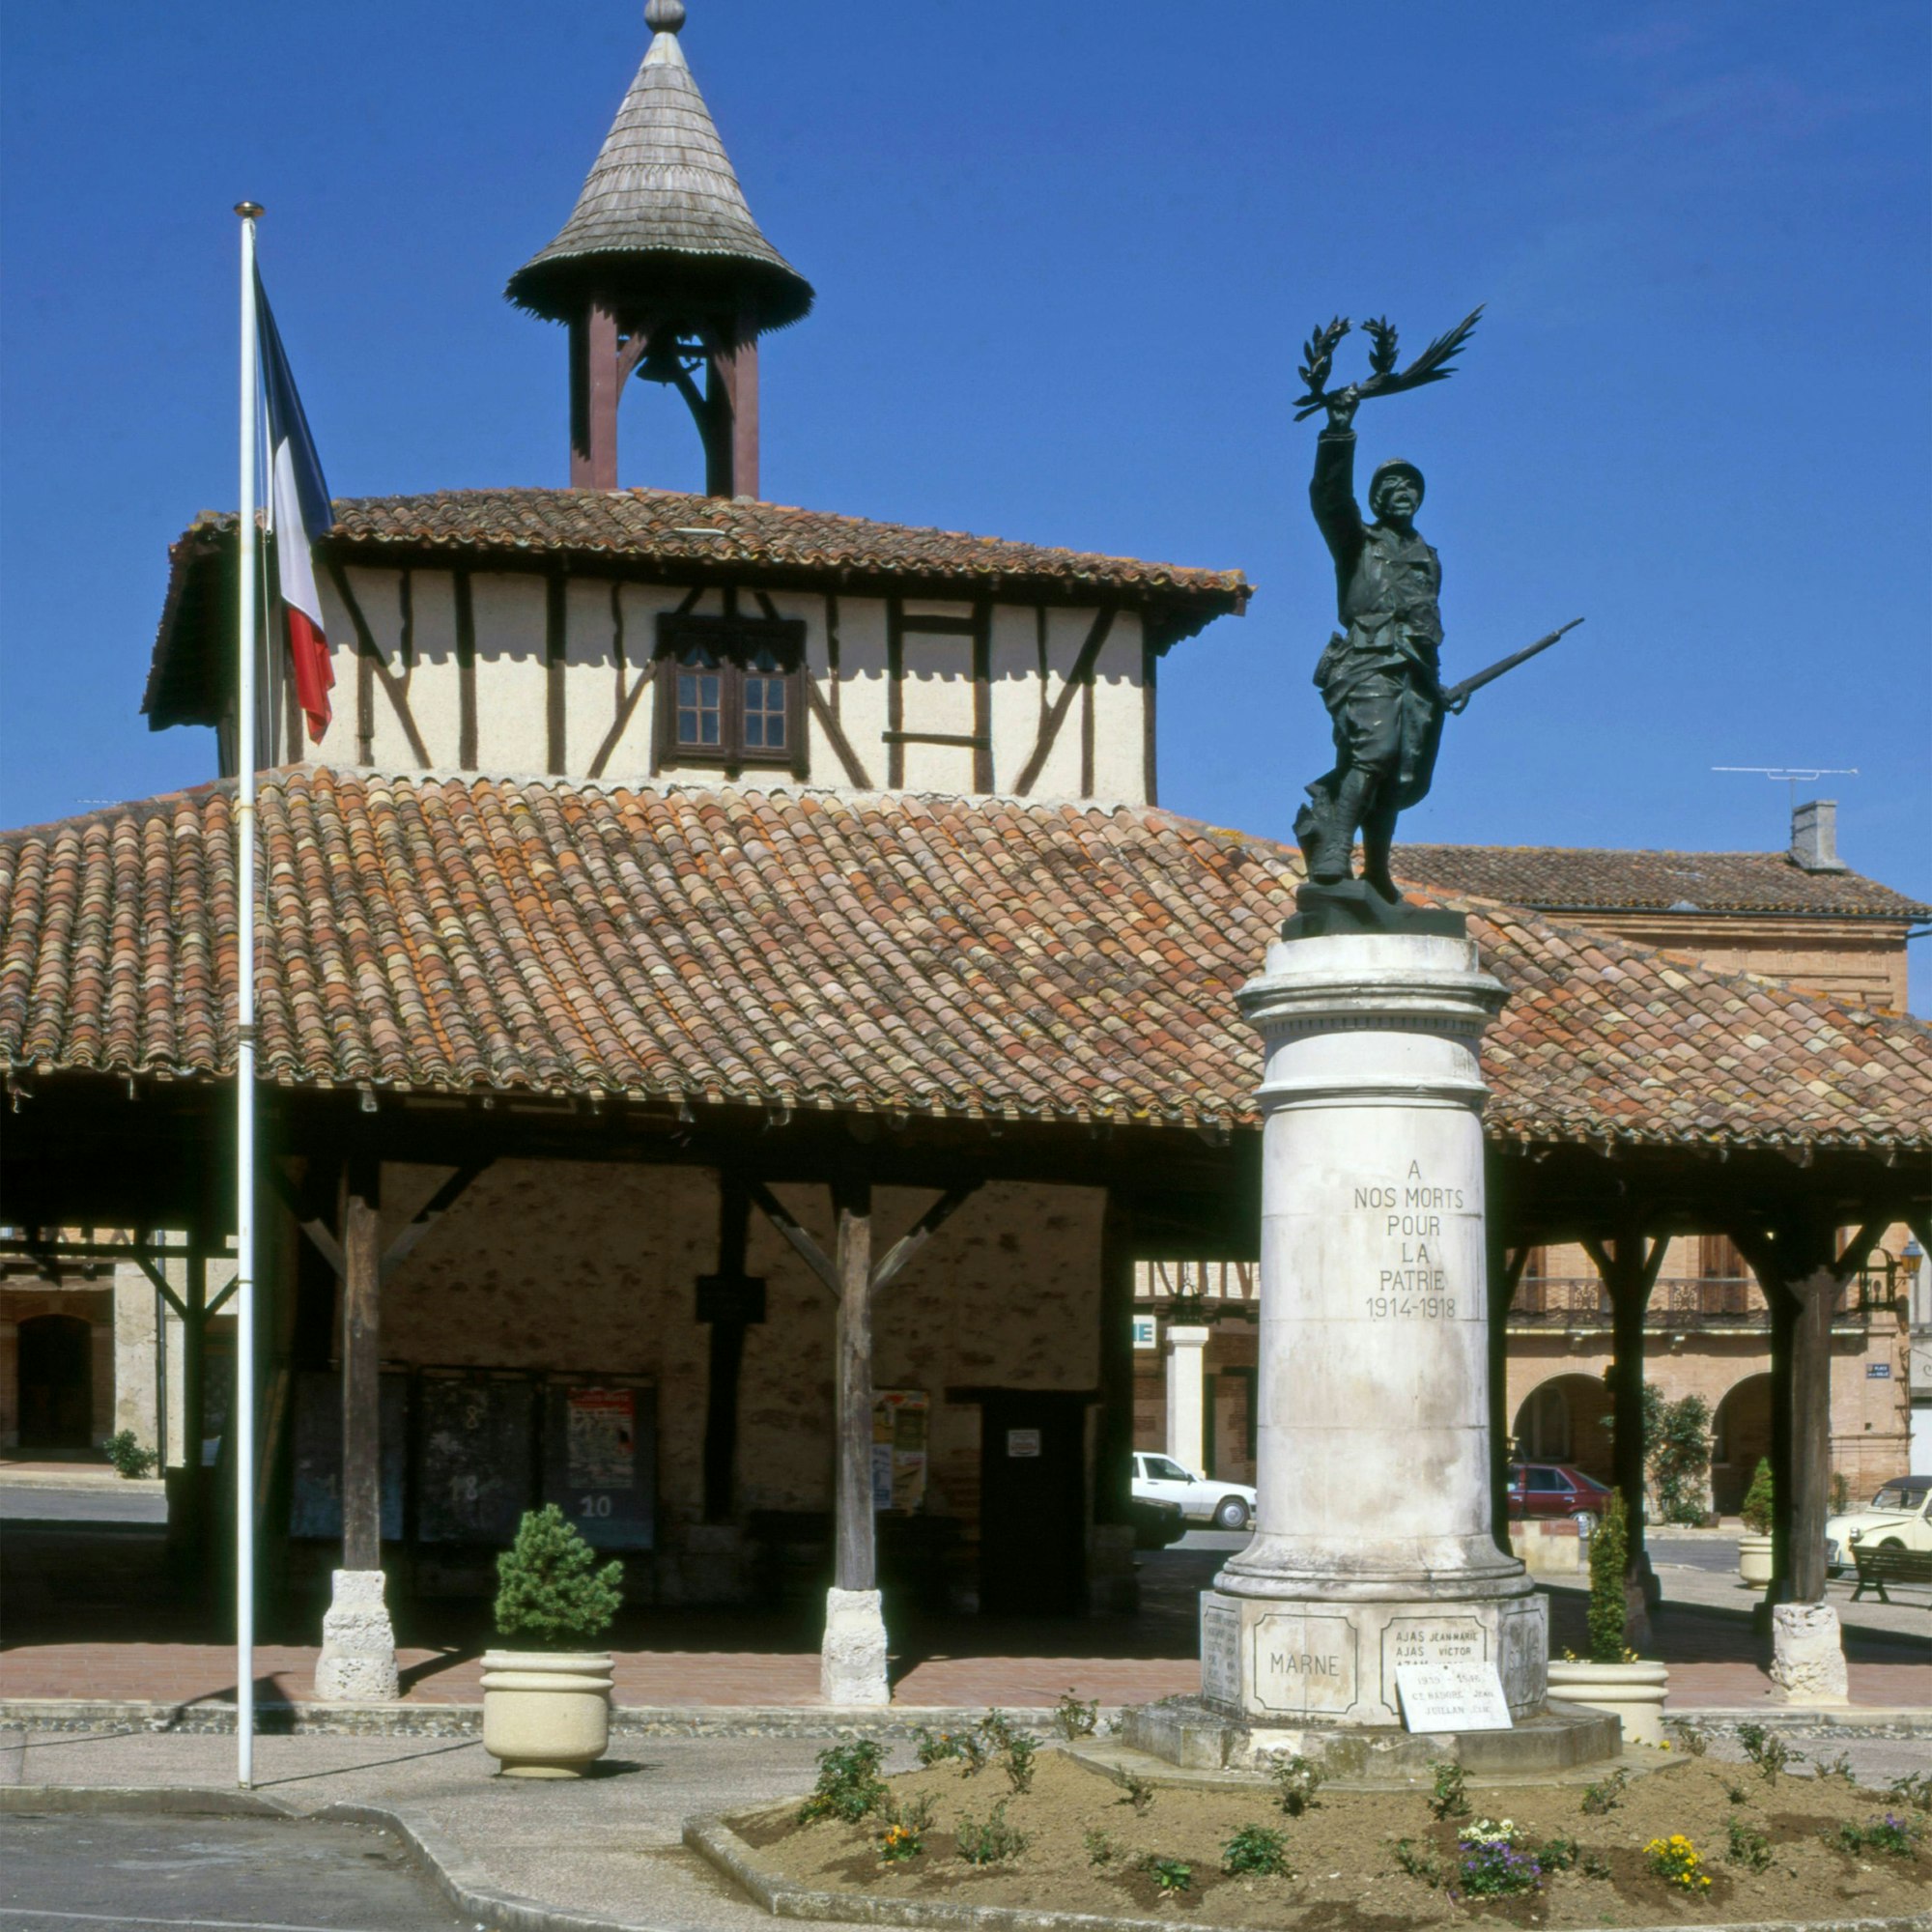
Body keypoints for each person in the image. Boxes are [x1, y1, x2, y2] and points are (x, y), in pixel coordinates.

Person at [1295, 384, 1465, 901]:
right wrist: (1339, 430)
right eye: (1392, 485)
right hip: (1366, 660)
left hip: (1416, 673)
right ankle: (1334, 848)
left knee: (1401, 771)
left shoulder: (1428, 558)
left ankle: (1376, 871)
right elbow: (1330, 497)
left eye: (1411, 485)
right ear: (1376, 499)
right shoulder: (1357, 541)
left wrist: (1439, 687)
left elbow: (1428, 628)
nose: (1403, 491)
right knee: (1376, 749)